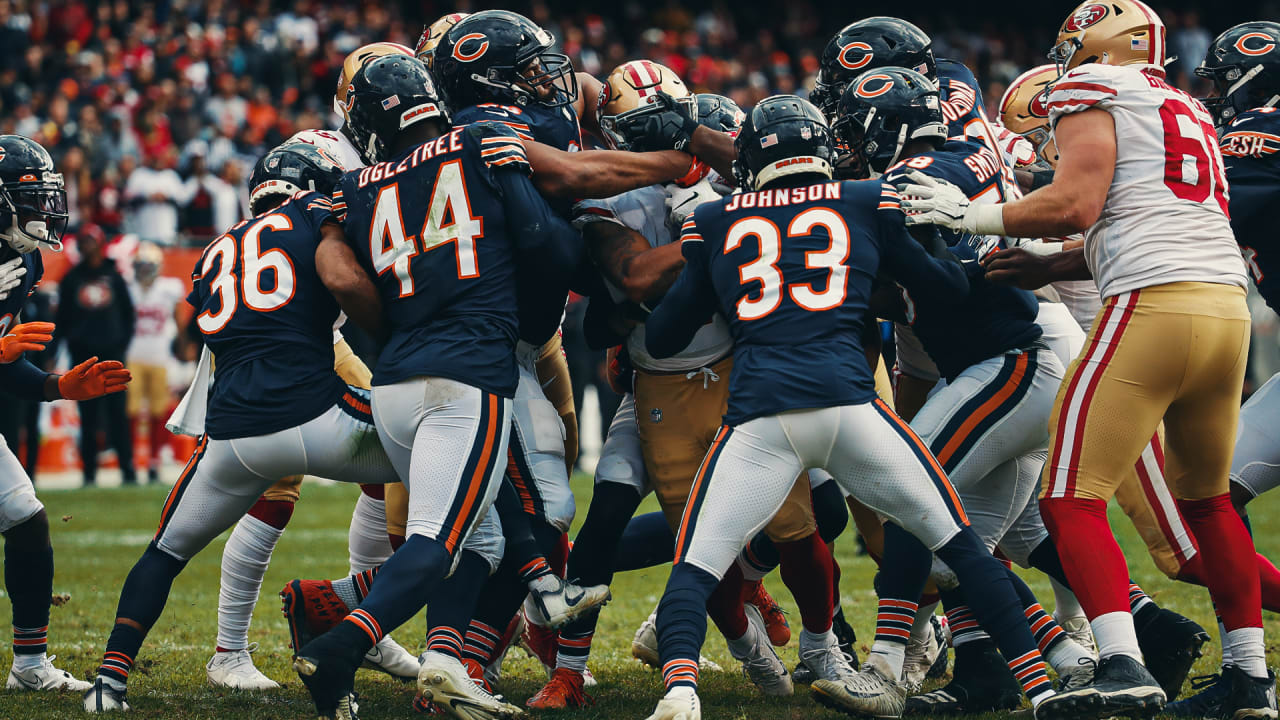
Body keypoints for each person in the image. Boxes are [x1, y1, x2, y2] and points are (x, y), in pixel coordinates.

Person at [899, 2, 1274, 717]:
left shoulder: (1089, 89)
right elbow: (1150, 213)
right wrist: (1059, 263)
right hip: (1225, 308)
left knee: (1070, 499)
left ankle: (1123, 666)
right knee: (1210, 504)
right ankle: (1250, 679)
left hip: (1149, 305)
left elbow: (1075, 201)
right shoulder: (1184, 105)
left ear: (1095, 44)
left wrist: (968, 214)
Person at [641, 94, 1058, 720]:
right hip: (852, 408)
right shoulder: (865, 199)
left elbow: (667, 334)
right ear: (824, 150)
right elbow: (942, 287)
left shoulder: (719, 219)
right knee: (963, 547)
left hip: (761, 417)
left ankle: (680, 693)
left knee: (695, 565)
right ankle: (1045, 691)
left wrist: (713, 274)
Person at [287, 54, 579, 720]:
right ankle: (336, 649)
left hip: (394, 375)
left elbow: (350, 279)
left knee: (479, 544)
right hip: (464, 378)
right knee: (434, 544)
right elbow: (548, 232)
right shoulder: (476, 142)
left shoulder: (358, 185)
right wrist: (673, 161)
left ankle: (446, 665)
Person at [82, 141, 404, 714]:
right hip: (313, 395)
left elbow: (208, 323)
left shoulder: (216, 248)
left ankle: (109, 679)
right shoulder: (319, 218)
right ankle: (361, 610)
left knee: (165, 549)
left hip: (237, 418)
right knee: (450, 458)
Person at [1168, 20, 1280, 717]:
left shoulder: (1259, 133)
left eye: (1215, 80)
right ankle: (1248, 678)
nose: (1210, 94)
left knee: (1208, 499)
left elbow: (1201, 212)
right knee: (1211, 498)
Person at [0, 133, 129, 695]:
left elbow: (4, 364)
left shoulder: (23, 260)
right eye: (29, 193)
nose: (45, 206)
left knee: (26, 517)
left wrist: (60, 386)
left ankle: (29, 664)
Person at [54, 223, 136, 485]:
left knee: (117, 415)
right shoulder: (71, 278)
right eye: (83, 242)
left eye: (91, 241)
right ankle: (89, 473)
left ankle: (128, 471)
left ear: (100, 244)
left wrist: (121, 345)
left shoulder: (113, 275)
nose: (86, 246)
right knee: (88, 417)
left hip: (112, 354)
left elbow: (128, 314)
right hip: (83, 357)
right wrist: (59, 349)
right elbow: (62, 319)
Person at [125, 242, 183, 483]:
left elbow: (179, 320)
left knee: (159, 411)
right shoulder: (128, 288)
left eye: (149, 265)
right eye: (141, 265)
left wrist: (181, 343)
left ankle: (154, 461)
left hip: (159, 355)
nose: (145, 270)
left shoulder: (169, 288)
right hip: (132, 355)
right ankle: (131, 460)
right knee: (132, 410)